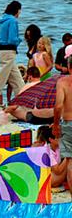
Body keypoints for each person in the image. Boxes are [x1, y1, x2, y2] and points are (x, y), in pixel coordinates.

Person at [52, 55, 72, 197]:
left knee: (70, 160)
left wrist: (55, 124)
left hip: (68, 122)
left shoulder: (63, 82)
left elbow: (58, 106)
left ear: (69, 67)